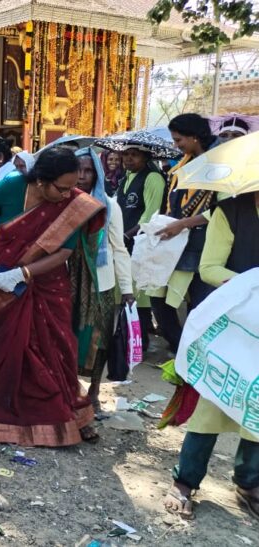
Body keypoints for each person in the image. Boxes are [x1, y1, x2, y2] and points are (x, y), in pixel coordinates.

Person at [0, 147, 105, 446]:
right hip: (1, 281)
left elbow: (64, 252)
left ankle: (62, 415)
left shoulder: (71, 204)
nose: (66, 194)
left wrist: (24, 274)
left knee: (55, 349)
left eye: (71, 187)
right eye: (61, 187)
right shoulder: (11, 186)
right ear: (41, 180)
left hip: (47, 285)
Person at [163, 190, 259, 521]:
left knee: (257, 406)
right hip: (232, 323)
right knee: (213, 404)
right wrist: (252, 283)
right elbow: (209, 268)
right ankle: (184, 481)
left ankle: (249, 483)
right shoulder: (231, 211)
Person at [69, 148, 134, 411]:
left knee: (100, 338)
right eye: (78, 171)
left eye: (88, 171)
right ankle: (69, 387)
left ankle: (94, 391)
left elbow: (118, 249)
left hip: (101, 282)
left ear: (97, 173)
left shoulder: (109, 205)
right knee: (67, 334)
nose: (83, 177)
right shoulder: (63, 202)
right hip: (68, 279)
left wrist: (127, 289)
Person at [151, 113, 218, 353]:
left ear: (194, 137)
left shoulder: (218, 164)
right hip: (176, 240)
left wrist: (183, 223)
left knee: (198, 305)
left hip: (205, 245)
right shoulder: (185, 163)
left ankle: (191, 353)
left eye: (178, 140)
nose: (175, 145)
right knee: (158, 299)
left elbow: (221, 210)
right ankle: (181, 348)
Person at [116, 144, 166, 348]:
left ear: (146, 157)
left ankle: (141, 342)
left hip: (141, 243)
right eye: (125, 155)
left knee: (140, 295)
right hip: (124, 242)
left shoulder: (152, 178)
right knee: (126, 291)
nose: (128, 159)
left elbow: (150, 215)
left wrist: (128, 235)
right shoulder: (125, 178)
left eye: (134, 155)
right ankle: (130, 340)